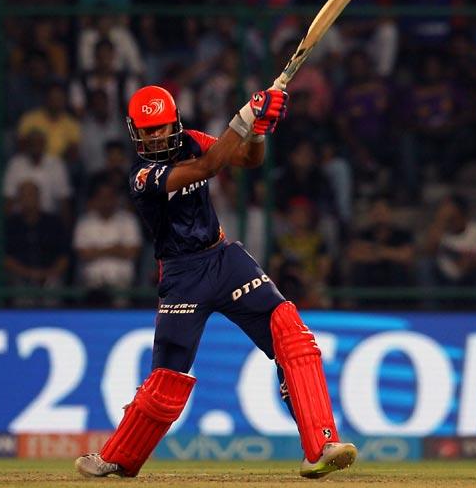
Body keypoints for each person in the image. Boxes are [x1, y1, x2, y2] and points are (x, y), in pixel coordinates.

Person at [75, 85, 356, 479]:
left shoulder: (192, 140)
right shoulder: (142, 178)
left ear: (175, 122)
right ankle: (118, 457)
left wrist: (257, 129)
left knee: (289, 330)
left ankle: (321, 445)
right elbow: (208, 168)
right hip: (181, 274)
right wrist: (244, 116)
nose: (155, 137)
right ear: (134, 132)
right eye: (147, 130)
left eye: (161, 128)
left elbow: (247, 159)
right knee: (168, 377)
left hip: (224, 258)